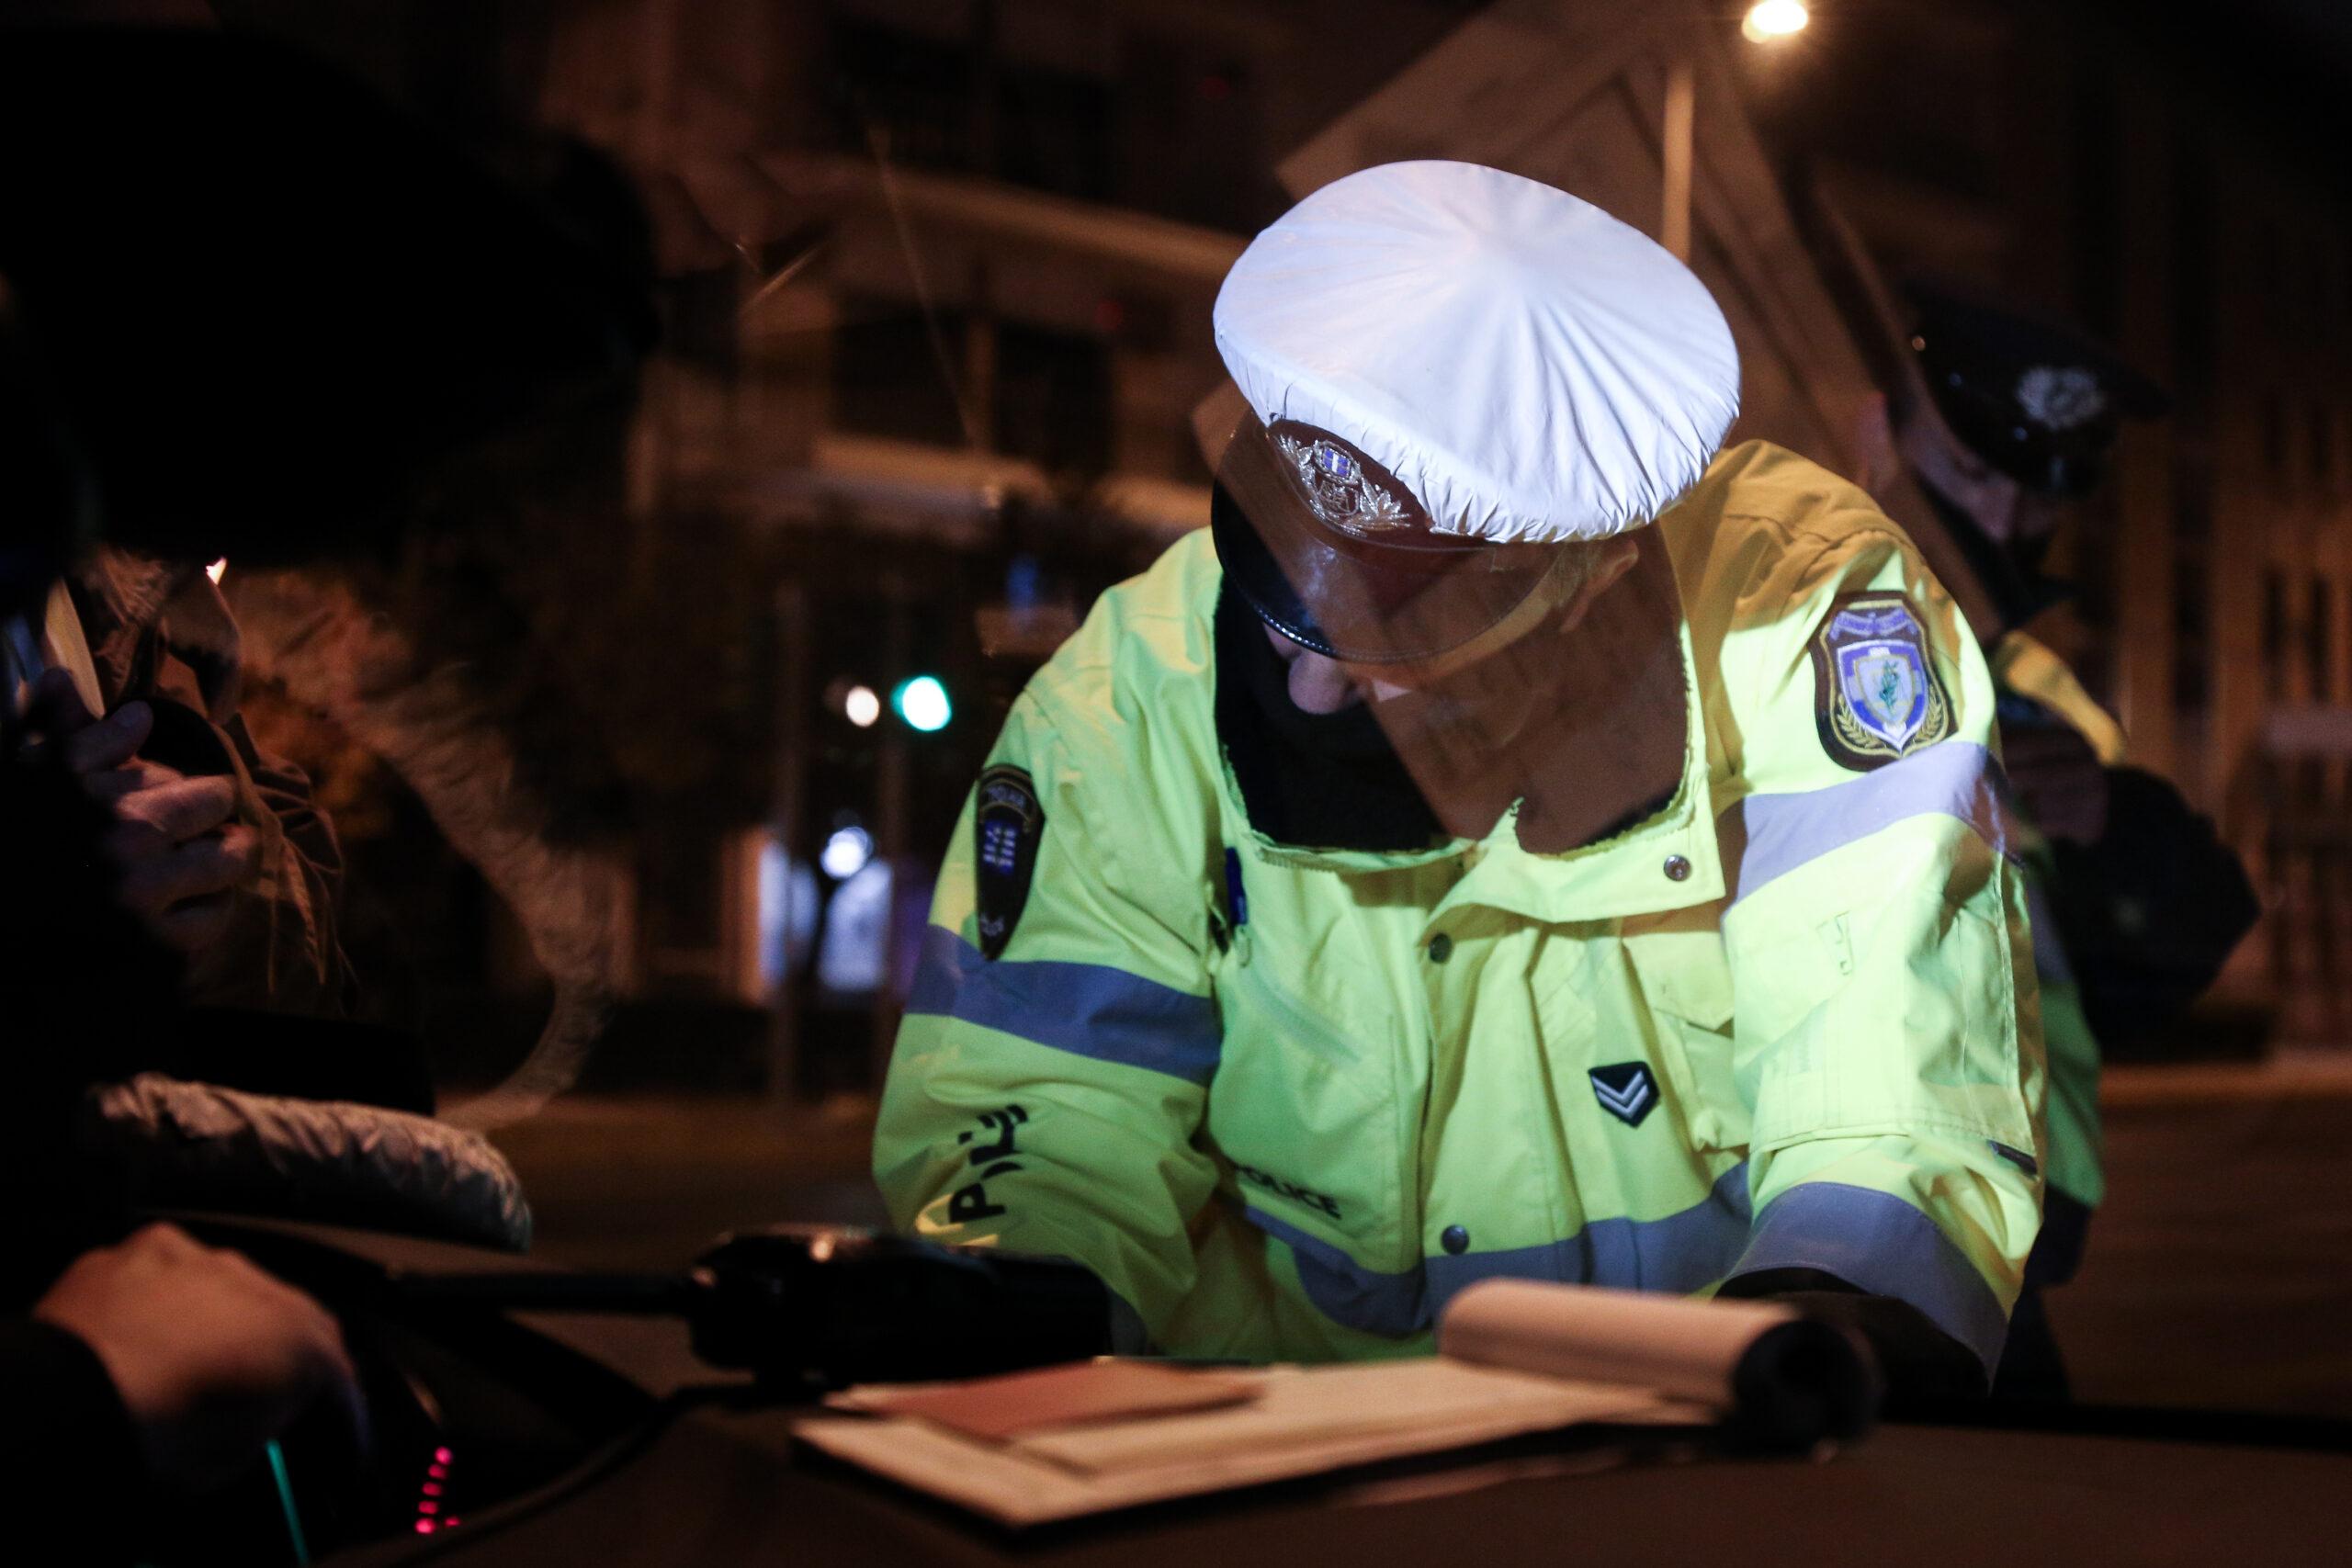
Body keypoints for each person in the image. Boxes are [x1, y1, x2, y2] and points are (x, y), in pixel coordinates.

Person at [876, 162, 2047, 1393]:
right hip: (1280, 1466)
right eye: (1290, 584)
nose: (1316, 689)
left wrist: (1823, 1332)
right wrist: (1013, 1303)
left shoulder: (1795, 614)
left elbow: (1887, 1068)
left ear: (1580, 578)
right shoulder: (1131, 687)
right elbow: (1044, 1097)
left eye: (1404, 632)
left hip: (1694, 1444)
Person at [1885, 280, 2259, 1396]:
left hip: (2013, 1211)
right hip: (1847, 1201)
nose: (2000, 525)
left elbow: (2147, 972)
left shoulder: (2041, 689)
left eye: (2031, 498)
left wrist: (2108, 829)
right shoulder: (1776, 644)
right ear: (1882, 430)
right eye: (1968, 475)